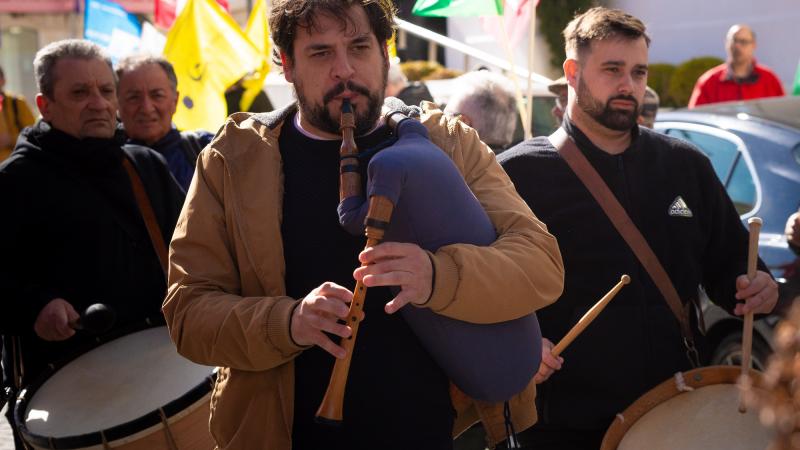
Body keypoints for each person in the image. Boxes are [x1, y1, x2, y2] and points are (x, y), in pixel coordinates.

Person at [161, 0, 565, 449]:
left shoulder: (447, 142)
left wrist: (438, 275)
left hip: (431, 430)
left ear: (384, 52)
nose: (344, 70)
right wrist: (288, 321)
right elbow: (187, 314)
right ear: (287, 64)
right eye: (321, 53)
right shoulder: (231, 161)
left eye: (359, 47)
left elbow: (541, 263)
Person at [498, 7, 779, 449]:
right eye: (612, 70)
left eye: (638, 71)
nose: (629, 85)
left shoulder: (686, 166)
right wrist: (514, 344)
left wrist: (759, 287)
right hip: (562, 423)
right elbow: (481, 292)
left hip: (678, 411)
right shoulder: (516, 175)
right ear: (572, 72)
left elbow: (735, 271)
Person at [0, 39, 184, 449]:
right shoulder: (15, 182)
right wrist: (35, 306)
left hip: (166, 377)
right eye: (80, 93)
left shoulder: (144, 167)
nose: (99, 103)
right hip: (66, 400)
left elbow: (195, 257)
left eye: (105, 90)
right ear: (44, 104)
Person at [115, 54, 213, 191]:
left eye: (157, 95)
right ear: (117, 103)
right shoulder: (104, 162)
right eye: (133, 97)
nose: (146, 108)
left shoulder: (209, 150)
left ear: (175, 101)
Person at [688, 24, 784, 108]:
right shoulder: (708, 82)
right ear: (726, 43)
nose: (737, 46)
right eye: (734, 40)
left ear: (754, 45)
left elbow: (781, 114)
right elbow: (695, 119)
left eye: (743, 41)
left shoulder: (769, 80)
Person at [443, 70, 517, 152]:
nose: (441, 121)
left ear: (463, 124)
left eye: (446, 114)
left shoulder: (442, 163)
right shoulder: (519, 163)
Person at [0, 66, 36, 162]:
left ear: (3, 80)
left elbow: (34, 135)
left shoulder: (17, 103)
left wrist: (10, 139)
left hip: (17, 167)